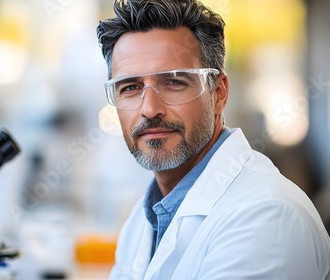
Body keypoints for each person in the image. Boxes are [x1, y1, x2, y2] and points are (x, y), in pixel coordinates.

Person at [96, 0, 330, 279]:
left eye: (173, 82)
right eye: (130, 87)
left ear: (218, 94)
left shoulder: (267, 216)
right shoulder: (143, 219)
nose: (149, 109)